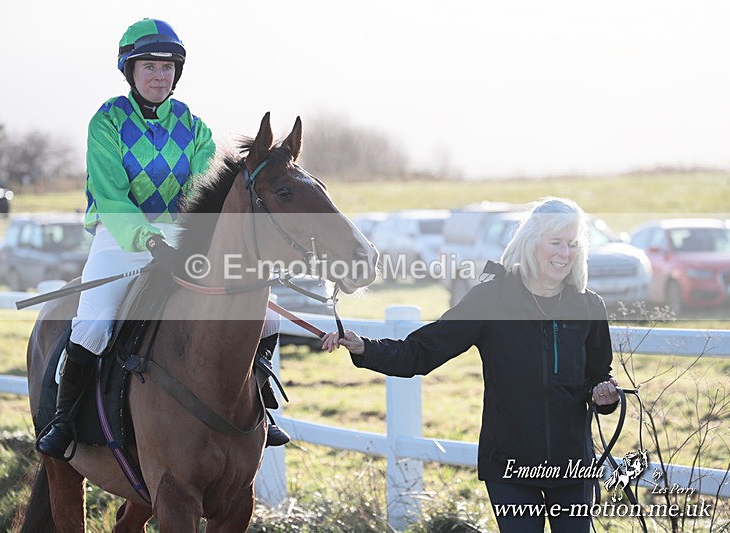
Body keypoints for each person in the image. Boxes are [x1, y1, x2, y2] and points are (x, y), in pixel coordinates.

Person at [36, 18, 288, 460]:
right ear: (129, 70)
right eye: (149, 66)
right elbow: (112, 197)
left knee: (267, 319)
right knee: (93, 326)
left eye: (168, 67)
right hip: (120, 237)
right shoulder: (107, 121)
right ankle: (63, 421)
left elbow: (210, 194)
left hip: (183, 238)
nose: (159, 75)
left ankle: (261, 405)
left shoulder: (192, 125)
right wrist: (150, 242)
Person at [323, 197, 620, 532]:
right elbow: (422, 352)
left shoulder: (588, 305)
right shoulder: (491, 299)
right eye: (556, 243)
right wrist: (366, 348)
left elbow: (596, 377)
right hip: (510, 465)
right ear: (532, 242)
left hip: (572, 467)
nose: (565, 253)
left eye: (572, 244)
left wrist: (603, 396)